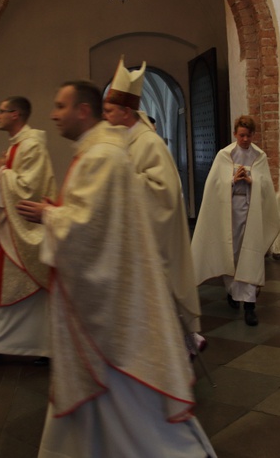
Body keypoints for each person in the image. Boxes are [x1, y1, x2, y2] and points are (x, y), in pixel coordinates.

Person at [16, 80, 216, 457]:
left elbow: (90, 225)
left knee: (126, 396)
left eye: (60, 105)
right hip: (111, 282)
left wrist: (50, 215)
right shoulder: (98, 150)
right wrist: (58, 211)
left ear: (83, 111)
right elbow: (92, 215)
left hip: (113, 303)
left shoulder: (103, 155)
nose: (53, 114)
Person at [102, 56, 204, 354]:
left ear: (125, 111)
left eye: (108, 110)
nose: (104, 116)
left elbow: (164, 193)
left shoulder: (148, 143)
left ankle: (177, 352)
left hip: (153, 241)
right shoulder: (126, 139)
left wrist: (121, 177)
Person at [0, 96, 57, 366]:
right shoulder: (18, 145)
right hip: (11, 229)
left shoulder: (31, 147)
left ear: (16, 115)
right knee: (7, 285)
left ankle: (44, 346)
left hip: (22, 230)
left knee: (17, 285)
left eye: (2, 111)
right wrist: (1, 166)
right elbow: (13, 181)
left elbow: (29, 189)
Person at [191, 115, 279, 326]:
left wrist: (251, 180)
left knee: (250, 253)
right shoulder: (224, 155)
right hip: (228, 211)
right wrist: (232, 180)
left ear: (253, 135)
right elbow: (214, 185)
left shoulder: (260, 156)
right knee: (231, 253)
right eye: (241, 135)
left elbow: (266, 187)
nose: (245, 139)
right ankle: (232, 291)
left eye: (249, 135)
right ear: (235, 134)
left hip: (251, 210)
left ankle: (249, 305)